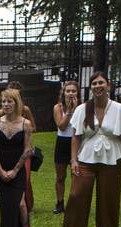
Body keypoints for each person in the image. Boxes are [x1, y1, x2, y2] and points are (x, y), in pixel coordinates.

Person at [57, 71, 121, 227]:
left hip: (111, 158)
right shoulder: (83, 108)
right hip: (86, 158)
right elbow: (75, 136)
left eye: (101, 83)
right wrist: (73, 159)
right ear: (91, 88)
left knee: (109, 198)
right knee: (77, 195)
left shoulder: (120, 109)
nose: (98, 86)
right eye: (94, 84)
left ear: (108, 85)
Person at [0, 88, 33, 227]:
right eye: (4, 101)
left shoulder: (25, 124)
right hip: (0, 168)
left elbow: (28, 150)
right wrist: (0, 170)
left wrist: (14, 171)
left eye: (9, 101)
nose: (6, 104)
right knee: (5, 201)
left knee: (20, 203)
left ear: (16, 103)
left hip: (18, 169)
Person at [52, 80, 79, 214]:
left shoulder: (82, 107)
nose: (70, 93)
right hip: (62, 142)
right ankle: (60, 202)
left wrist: (75, 109)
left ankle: (74, 202)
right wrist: (69, 111)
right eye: (68, 91)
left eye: (73, 91)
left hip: (77, 142)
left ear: (77, 92)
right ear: (63, 92)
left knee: (76, 175)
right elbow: (61, 126)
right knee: (60, 176)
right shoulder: (58, 107)